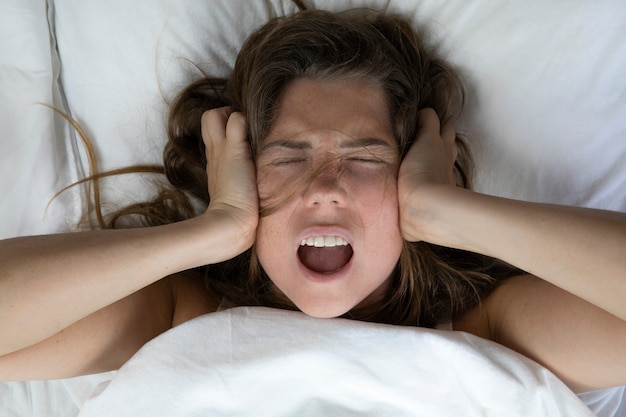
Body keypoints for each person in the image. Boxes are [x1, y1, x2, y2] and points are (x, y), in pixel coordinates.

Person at [0, 7, 625, 397]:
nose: (326, 186)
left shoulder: (491, 332)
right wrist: (213, 230)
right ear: (239, 174)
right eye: (288, 157)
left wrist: (446, 210)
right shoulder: (177, 318)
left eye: (365, 157)